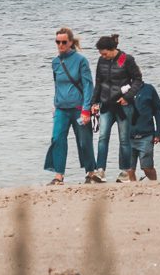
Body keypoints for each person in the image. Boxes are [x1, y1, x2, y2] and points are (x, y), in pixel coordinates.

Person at [44, 26, 96, 185]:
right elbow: (57, 84)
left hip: (79, 108)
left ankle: (91, 172)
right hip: (61, 108)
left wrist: (87, 109)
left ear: (70, 42)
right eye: (57, 42)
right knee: (57, 138)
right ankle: (59, 176)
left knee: (84, 141)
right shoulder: (55, 62)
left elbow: (88, 86)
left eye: (63, 42)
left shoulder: (81, 60)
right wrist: (55, 103)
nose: (60, 45)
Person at [90, 33, 143, 183]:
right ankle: (100, 171)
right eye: (101, 54)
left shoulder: (126, 59)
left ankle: (125, 172)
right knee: (102, 138)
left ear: (112, 49)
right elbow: (98, 83)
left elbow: (138, 80)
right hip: (106, 104)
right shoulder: (101, 61)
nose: (103, 56)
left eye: (105, 53)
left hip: (123, 106)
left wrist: (127, 97)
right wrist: (94, 102)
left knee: (124, 140)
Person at [126, 75, 160, 181]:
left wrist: (158, 132)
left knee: (147, 168)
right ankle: (134, 187)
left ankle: (154, 184)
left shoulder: (149, 89)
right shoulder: (122, 91)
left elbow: (158, 111)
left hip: (146, 135)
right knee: (129, 169)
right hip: (128, 136)